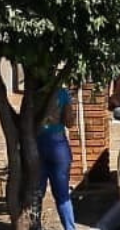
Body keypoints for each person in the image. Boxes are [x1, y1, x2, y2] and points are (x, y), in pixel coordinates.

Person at [36, 82, 77, 230]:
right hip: (58, 145)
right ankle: (69, 228)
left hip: (37, 144)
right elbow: (69, 122)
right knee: (62, 195)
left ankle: (35, 226)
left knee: (36, 193)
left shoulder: (33, 94)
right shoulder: (61, 93)